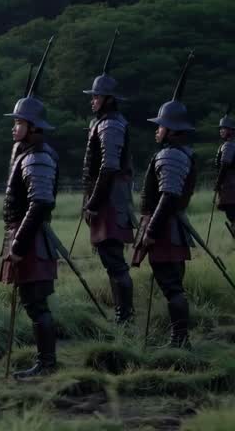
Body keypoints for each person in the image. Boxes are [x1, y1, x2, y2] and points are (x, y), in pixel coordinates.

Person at [0, 42, 61, 379]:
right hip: (28, 237)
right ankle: (45, 362)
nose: (14, 126)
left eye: (19, 122)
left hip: (32, 240)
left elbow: (39, 204)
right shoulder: (27, 152)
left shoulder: (37, 157)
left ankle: (47, 364)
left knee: (37, 305)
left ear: (33, 126)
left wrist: (19, 246)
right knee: (33, 304)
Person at [135, 54, 198, 348]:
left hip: (166, 231)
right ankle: (179, 337)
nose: (157, 130)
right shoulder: (181, 152)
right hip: (172, 229)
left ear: (172, 130)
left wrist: (150, 232)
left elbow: (168, 196)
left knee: (172, 287)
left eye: (161, 126)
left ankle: (179, 339)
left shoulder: (171, 154)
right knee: (173, 286)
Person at [81, 35, 136, 324]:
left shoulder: (112, 124)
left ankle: (124, 318)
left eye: (97, 96)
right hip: (107, 200)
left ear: (109, 99)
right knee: (110, 261)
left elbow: (109, 167)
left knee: (115, 263)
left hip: (110, 202)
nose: (93, 100)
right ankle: (121, 315)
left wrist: (93, 203)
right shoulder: (103, 123)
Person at [216, 107, 235, 237]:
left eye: (224, 128)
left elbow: (224, 165)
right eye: (220, 128)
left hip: (230, 188)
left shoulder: (229, 145)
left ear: (231, 130)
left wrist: (218, 184)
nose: (221, 131)